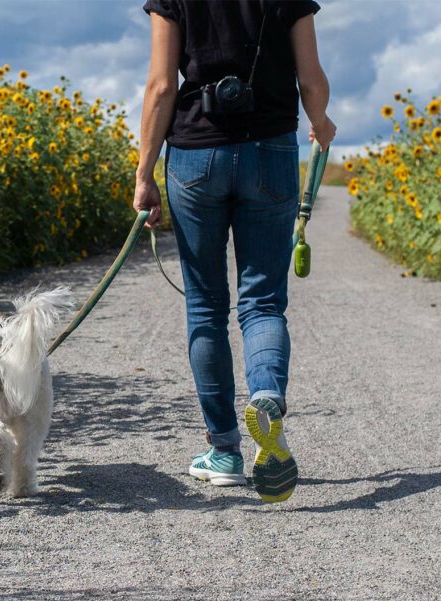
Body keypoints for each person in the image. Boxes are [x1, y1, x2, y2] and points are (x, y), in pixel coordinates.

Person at [134, 0, 335, 503]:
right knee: (263, 301)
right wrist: (321, 120)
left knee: (205, 305)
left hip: (196, 153)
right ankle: (266, 395)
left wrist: (144, 173)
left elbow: (161, 86)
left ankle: (224, 452)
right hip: (270, 149)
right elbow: (310, 78)